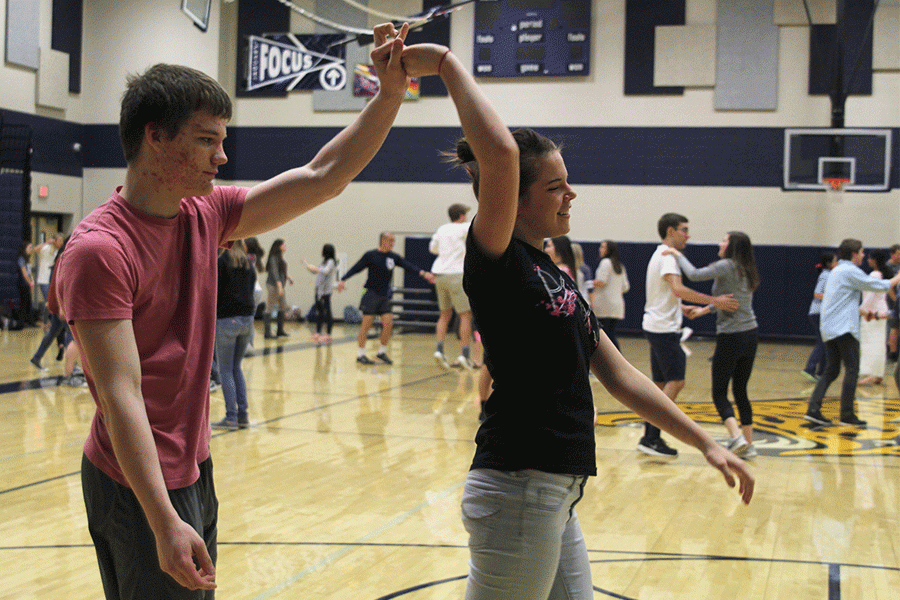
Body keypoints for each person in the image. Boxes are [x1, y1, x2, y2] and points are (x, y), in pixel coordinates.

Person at [47, 23, 413, 599]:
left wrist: (388, 96)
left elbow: (324, 177)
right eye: (206, 140)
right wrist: (164, 518)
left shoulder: (206, 213)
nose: (222, 156)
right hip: (137, 482)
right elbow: (121, 394)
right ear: (155, 138)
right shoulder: (100, 251)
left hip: (192, 465)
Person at [398, 41, 753, 600]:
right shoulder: (497, 260)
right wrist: (444, 63)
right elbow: (501, 157)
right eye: (556, 186)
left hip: (557, 493)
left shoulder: (554, 275)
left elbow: (621, 376)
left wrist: (705, 442)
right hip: (518, 487)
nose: (571, 194)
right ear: (511, 198)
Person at [639, 213, 739, 457]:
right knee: (676, 382)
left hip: (656, 325)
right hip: (664, 329)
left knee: (661, 386)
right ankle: (651, 437)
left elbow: (665, 295)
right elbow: (678, 289)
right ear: (671, 231)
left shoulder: (658, 255)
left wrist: (681, 309)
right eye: (684, 229)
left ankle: (650, 436)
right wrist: (714, 300)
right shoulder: (668, 258)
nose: (689, 234)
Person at [666, 231, 761, 457]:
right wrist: (704, 311)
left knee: (719, 392)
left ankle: (736, 437)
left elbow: (695, 274)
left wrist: (676, 254)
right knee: (740, 390)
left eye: (725, 240)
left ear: (733, 246)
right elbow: (731, 301)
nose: (720, 243)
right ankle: (749, 444)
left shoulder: (727, 265)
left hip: (732, 336)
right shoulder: (746, 268)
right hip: (751, 333)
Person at [805, 239, 900, 427]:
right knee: (852, 369)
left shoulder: (837, 271)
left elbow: (843, 299)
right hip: (844, 328)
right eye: (862, 252)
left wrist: (864, 311)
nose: (864, 256)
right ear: (854, 254)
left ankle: (813, 409)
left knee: (831, 370)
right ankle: (847, 415)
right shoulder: (849, 271)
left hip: (830, 327)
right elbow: (880, 286)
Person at [337, 231, 435, 365]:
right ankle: (360, 355)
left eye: (394, 241)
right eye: (391, 241)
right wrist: (343, 279)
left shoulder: (393, 257)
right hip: (371, 294)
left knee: (388, 324)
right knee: (366, 325)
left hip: (384, 296)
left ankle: (381, 353)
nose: (393, 244)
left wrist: (424, 274)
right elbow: (356, 268)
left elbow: (408, 266)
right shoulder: (371, 255)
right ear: (383, 240)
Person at [211, 240, 257, 430]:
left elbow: (215, 291)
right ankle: (243, 415)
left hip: (227, 319)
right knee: (236, 368)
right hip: (247, 319)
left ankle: (231, 417)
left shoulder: (222, 262)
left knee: (225, 370)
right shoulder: (248, 263)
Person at [429, 202, 475, 370]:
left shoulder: (441, 229)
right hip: (456, 274)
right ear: (462, 216)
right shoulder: (464, 228)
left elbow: (433, 249)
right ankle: (465, 354)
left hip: (439, 274)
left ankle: (439, 350)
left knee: (444, 314)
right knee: (465, 315)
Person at [30, 235, 72, 370]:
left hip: (59, 305)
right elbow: (58, 286)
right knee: (73, 336)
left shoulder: (59, 255)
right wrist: (59, 307)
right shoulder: (61, 259)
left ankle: (36, 358)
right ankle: (71, 368)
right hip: (61, 306)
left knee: (53, 333)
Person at [802, 252, 837, 381]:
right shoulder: (825, 275)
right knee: (823, 342)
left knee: (825, 342)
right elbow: (817, 293)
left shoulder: (829, 275)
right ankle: (810, 369)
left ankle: (822, 372)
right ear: (829, 264)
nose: (837, 263)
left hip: (821, 313)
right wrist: (833, 298)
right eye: (835, 261)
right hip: (818, 313)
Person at [857, 249, 890, 386]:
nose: (867, 259)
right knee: (878, 343)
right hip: (880, 311)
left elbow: (870, 295)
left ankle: (871, 374)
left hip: (873, 313)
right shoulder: (882, 273)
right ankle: (878, 374)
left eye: (870, 258)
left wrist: (861, 309)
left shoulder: (875, 274)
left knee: (870, 344)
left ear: (875, 260)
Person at [592, 239, 629, 351]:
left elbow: (601, 282)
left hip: (604, 306)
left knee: (606, 338)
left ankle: (617, 361)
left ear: (608, 250)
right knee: (610, 334)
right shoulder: (619, 266)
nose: (600, 249)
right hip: (617, 306)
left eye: (603, 247)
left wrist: (588, 283)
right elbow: (626, 287)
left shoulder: (605, 263)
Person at [302, 243, 339, 344]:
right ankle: (318, 333)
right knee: (319, 312)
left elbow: (325, 271)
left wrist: (316, 268)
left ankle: (328, 334)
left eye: (322, 249)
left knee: (327, 312)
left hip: (325, 291)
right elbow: (317, 272)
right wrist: (307, 266)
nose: (321, 251)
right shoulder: (324, 261)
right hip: (319, 290)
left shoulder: (331, 261)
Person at [263, 239, 293, 339]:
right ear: (279, 246)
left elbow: (282, 271)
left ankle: (280, 331)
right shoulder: (273, 257)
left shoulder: (280, 258)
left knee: (282, 306)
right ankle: (267, 333)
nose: (285, 246)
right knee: (270, 307)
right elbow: (275, 273)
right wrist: (280, 287)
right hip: (273, 285)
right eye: (283, 245)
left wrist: (289, 278)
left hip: (280, 286)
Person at [15, 241, 37, 328]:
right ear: (24, 249)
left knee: (28, 304)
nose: (31, 249)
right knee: (24, 304)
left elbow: (29, 272)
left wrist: (32, 282)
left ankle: (30, 322)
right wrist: (30, 283)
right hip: (22, 284)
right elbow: (24, 274)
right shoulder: (21, 259)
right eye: (30, 247)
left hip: (27, 284)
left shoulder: (27, 259)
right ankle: (23, 323)